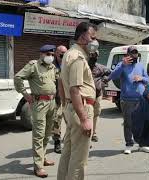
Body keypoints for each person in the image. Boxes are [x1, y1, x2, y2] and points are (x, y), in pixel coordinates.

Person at [57, 22, 98, 180]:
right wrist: (84, 119)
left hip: (72, 107)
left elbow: (61, 83)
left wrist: (65, 106)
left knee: (68, 153)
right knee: (79, 159)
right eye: (93, 37)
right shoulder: (78, 57)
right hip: (82, 108)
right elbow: (74, 89)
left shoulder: (69, 54)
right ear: (83, 36)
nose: (95, 41)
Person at [14, 45, 57, 178]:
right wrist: (25, 95)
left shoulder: (52, 67)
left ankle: (43, 158)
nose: (51, 56)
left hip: (52, 103)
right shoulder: (33, 66)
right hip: (39, 104)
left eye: (52, 54)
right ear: (42, 54)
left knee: (47, 133)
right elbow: (18, 77)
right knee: (39, 135)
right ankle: (38, 166)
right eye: (49, 53)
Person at [107, 46, 149, 154]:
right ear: (127, 55)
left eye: (136, 53)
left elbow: (148, 80)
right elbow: (112, 76)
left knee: (141, 122)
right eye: (132, 53)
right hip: (127, 100)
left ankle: (142, 144)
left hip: (140, 99)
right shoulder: (121, 65)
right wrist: (122, 65)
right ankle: (129, 144)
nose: (134, 55)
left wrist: (142, 78)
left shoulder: (140, 66)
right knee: (128, 123)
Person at [88, 50, 111, 142]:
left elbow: (109, 72)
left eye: (95, 55)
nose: (93, 57)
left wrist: (104, 81)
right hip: (85, 95)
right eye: (91, 55)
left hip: (97, 95)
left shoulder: (100, 67)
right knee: (85, 115)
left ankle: (93, 133)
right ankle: (85, 132)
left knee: (95, 115)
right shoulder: (84, 66)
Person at [52, 45, 68, 154]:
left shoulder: (68, 64)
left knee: (71, 120)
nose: (63, 55)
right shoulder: (51, 66)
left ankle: (71, 140)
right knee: (56, 121)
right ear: (56, 53)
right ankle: (57, 142)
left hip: (68, 98)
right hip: (56, 99)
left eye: (65, 52)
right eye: (62, 53)